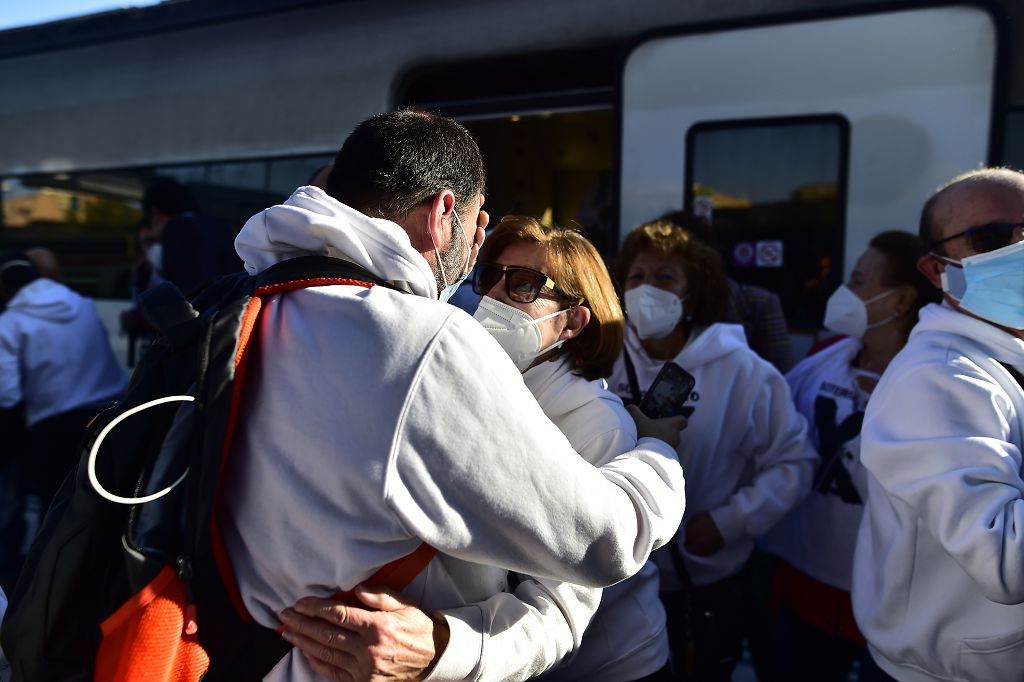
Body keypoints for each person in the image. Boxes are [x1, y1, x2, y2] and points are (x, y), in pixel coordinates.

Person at [219, 111, 686, 681]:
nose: (488, 291)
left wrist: (448, 645)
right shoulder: (427, 345)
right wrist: (661, 456)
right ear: (445, 213)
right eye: (488, 262)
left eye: (523, 285)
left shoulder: (247, 306)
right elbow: (603, 542)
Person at [608, 219, 817, 681]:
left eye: (665, 277)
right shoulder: (602, 356)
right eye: (637, 276)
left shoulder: (745, 372)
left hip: (701, 583)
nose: (647, 288)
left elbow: (795, 462)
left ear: (692, 294)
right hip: (614, 582)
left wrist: (729, 522)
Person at [851, 168, 1024, 682]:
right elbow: (1004, 560)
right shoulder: (938, 378)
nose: (1019, 246)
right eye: (992, 237)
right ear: (936, 269)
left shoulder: (1001, 356)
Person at [755, 231, 940, 681]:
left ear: (900, 302)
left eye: (859, 282)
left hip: (892, 595)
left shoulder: (936, 381)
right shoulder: (827, 357)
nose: (845, 293)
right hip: (806, 580)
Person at [0, 254, 126, 554]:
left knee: (52, 509)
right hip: (110, 417)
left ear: (5, 290)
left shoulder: (10, 322)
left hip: (53, 426)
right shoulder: (82, 305)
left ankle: (39, 583)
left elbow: (7, 395)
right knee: (99, 505)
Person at [660, 211, 796, 373]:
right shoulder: (642, 307)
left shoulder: (759, 305)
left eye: (666, 274)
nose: (650, 284)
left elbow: (780, 379)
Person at [139, 178, 242, 297]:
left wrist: (146, 242)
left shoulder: (177, 227)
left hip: (206, 307)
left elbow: (173, 271)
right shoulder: (216, 224)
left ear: (155, 212)